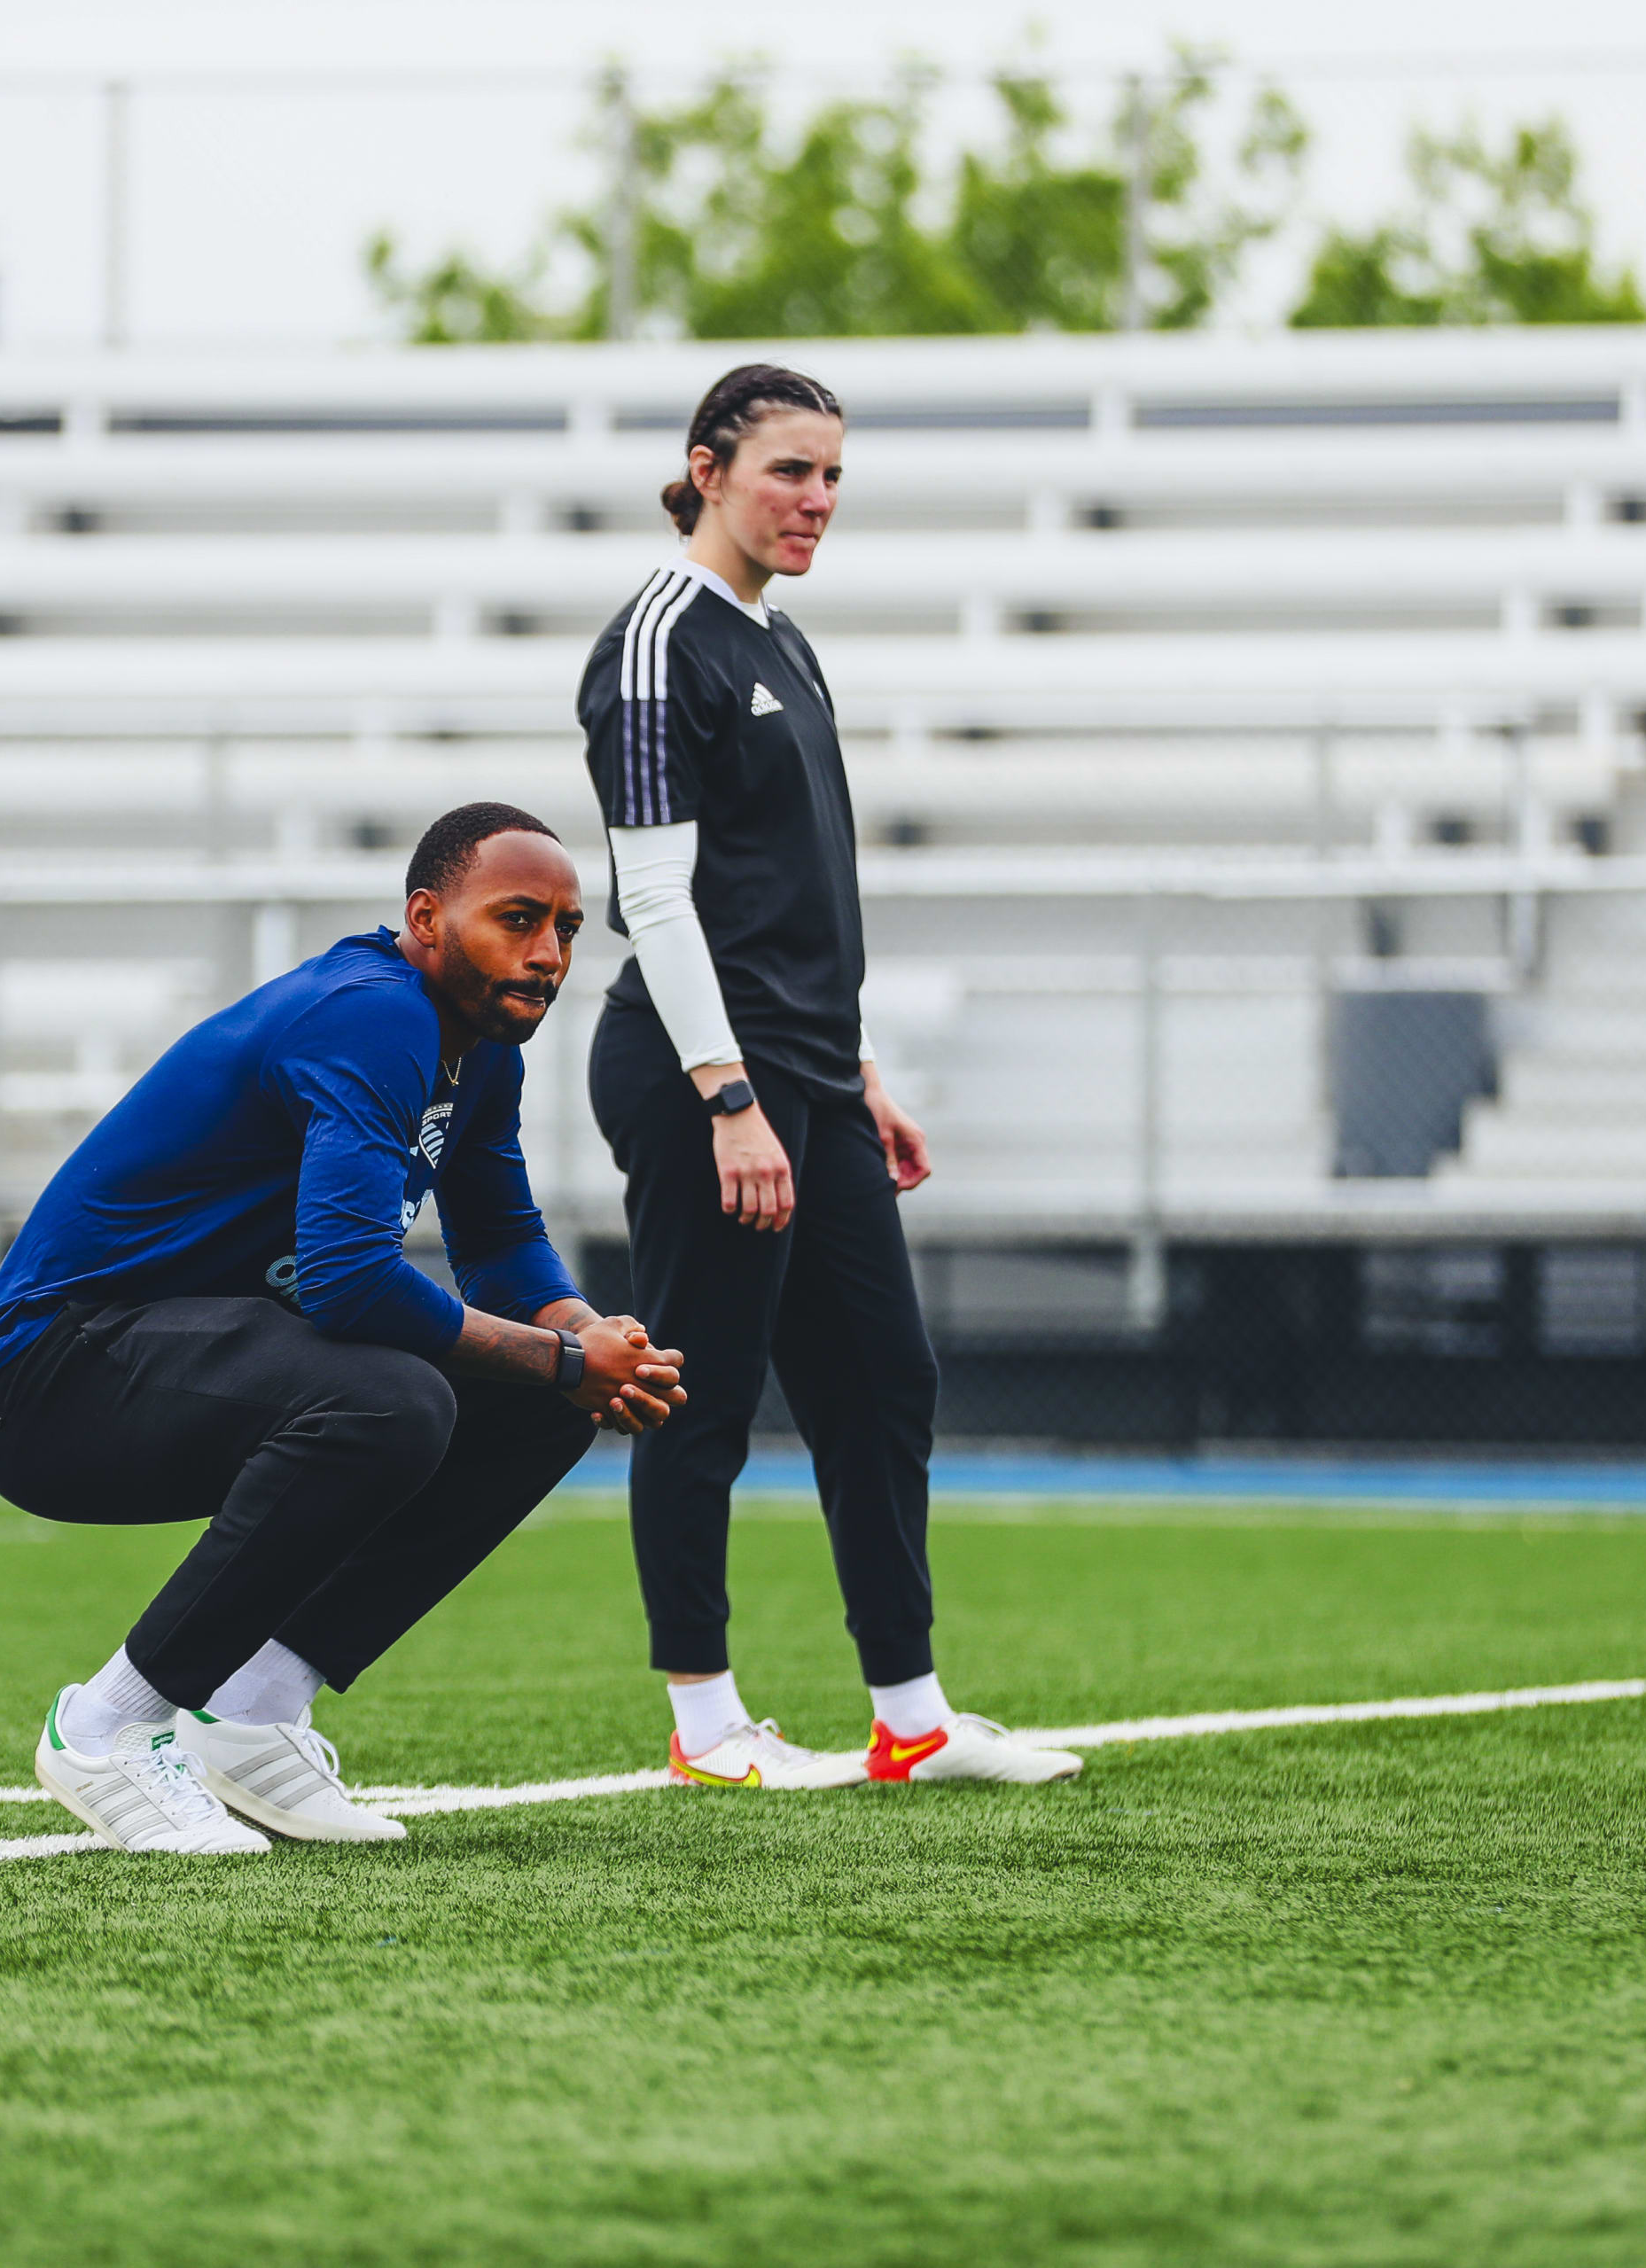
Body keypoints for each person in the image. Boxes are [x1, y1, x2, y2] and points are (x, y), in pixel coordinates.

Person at [0, 804, 684, 1855]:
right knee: (391, 1401)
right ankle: (106, 1728)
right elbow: (347, 1283)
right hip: (44, 1379)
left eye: (567, 928)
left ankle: (251, 1714)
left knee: (537, 1408)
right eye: (518, 919)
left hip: (188, 1353)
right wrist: (568, 1358)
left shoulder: (482, 1050)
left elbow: (503, 1241)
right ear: (426, 919)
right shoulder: (374, 1015)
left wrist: (591, 1343)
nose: (549, 954)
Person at [580, 363, 1080, 1791]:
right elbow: (658, 899)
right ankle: (705, 1724)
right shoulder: (656, 643)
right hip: (705, 1078)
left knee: (881, 1378)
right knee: (706, 1388)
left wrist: (853, 1073)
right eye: (790, 470)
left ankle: (912, 1715)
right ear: (708, 469)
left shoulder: (782, 639)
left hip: (807, 1073)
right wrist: (731, 1098)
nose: (816, 500)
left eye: (833, 475)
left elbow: (789, 894)